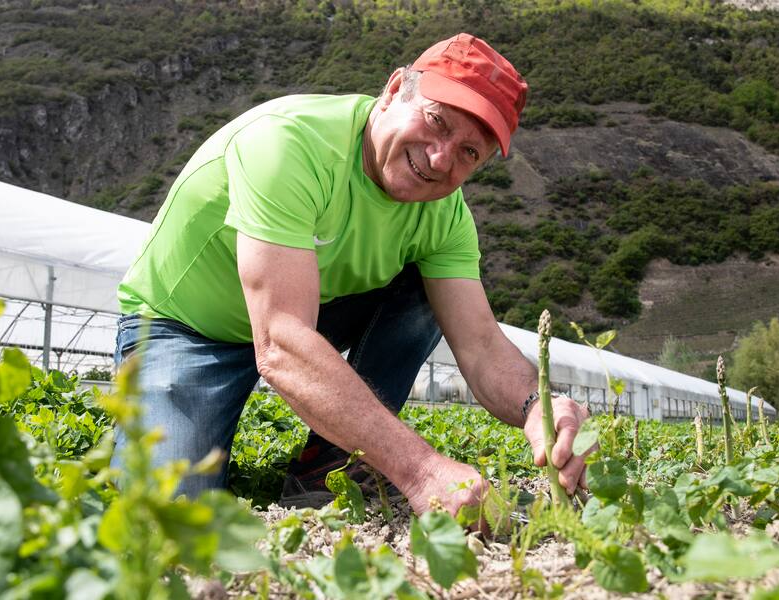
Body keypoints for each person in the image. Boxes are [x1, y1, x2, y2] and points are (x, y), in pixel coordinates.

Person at [113, 32, 591, 516]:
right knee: (164, 511)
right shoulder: (289, 144)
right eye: (435, 121)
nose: (440, 158)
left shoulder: (445, 216)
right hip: (185, 328)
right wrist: (422, 470)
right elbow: (280, 341)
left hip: (306, 311)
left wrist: (540, 405)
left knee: (427, 290)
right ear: (391, 92)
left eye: (469, 153)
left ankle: (330, 466)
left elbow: (481, 343)